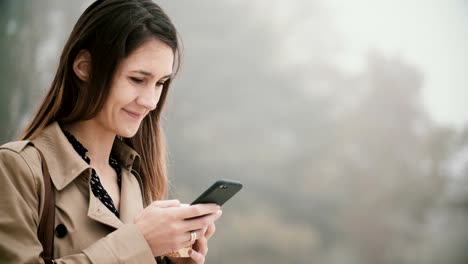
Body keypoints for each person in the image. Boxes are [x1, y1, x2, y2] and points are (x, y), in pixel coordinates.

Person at [0, 0, 222, 263]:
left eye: (160, 83)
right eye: (137, 79)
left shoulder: (136, 181)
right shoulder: (17, 168)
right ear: (85, 67)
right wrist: (140, 242)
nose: (150, 101)